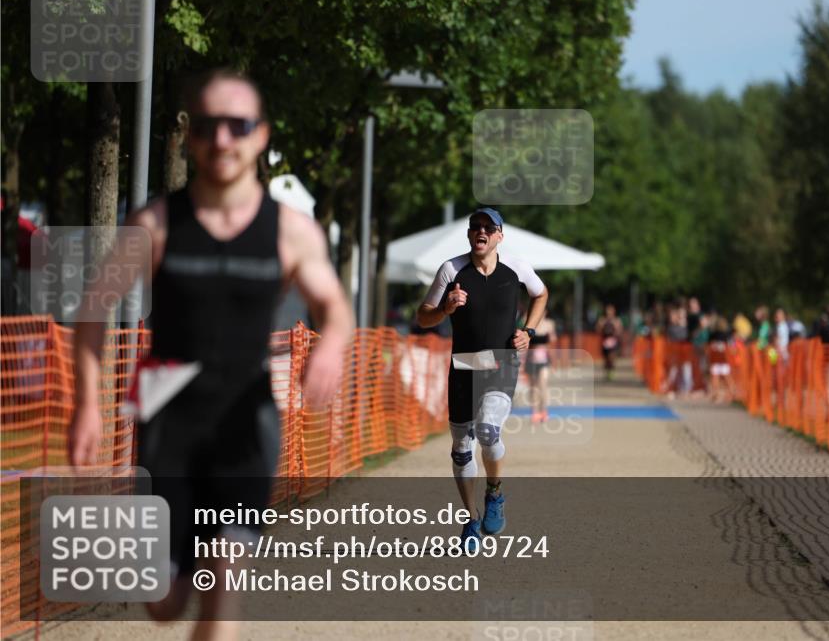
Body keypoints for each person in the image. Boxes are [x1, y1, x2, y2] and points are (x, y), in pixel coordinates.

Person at [67, 69, 354, 640]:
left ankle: (212, 552)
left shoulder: (292, 232)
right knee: (167, 604)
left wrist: (333, 348)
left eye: (237, 126)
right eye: (206, 127)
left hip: (246, 420)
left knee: (225, 578)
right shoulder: (154, 224)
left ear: (262, 135)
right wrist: (88, 407)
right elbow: (93, 310)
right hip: (167, 416)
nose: (222, 139)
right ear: (189, 137)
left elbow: (334, 308)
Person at [416, 207, 548, 549]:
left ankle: (495, 492)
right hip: (463, 365)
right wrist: (444, 309)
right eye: (475, 226)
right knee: (461, 449)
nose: (481, 232)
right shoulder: (451, 270)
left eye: (488, 227)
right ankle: (471, 519)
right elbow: (423, 317)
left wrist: (529, 331)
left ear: (500, 235)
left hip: (501, 362)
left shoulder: (515, 268)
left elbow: (541, 293)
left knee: (489, 430)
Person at [525, 310, 557, 423]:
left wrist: (553, 362)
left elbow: (551, 345)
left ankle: (543, 410)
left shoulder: (549, 324)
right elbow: (525, 344)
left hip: (544, 360)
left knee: (543, 385)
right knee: (533, 388)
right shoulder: (529, 323)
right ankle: (535, 412)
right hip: (531, 360)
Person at [596, 303, 623, 381]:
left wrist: (616, 331)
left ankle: (611, 371)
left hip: (613, 342)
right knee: (606, 358)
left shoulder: (617, 320)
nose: (609, 312)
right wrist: (601, 327)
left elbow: (620, 330)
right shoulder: (602, 320)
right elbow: (598, 329)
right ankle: (607, 370)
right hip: (605, 341)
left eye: (611, 310)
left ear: (613, 311)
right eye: (608, 310)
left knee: (612, 357)